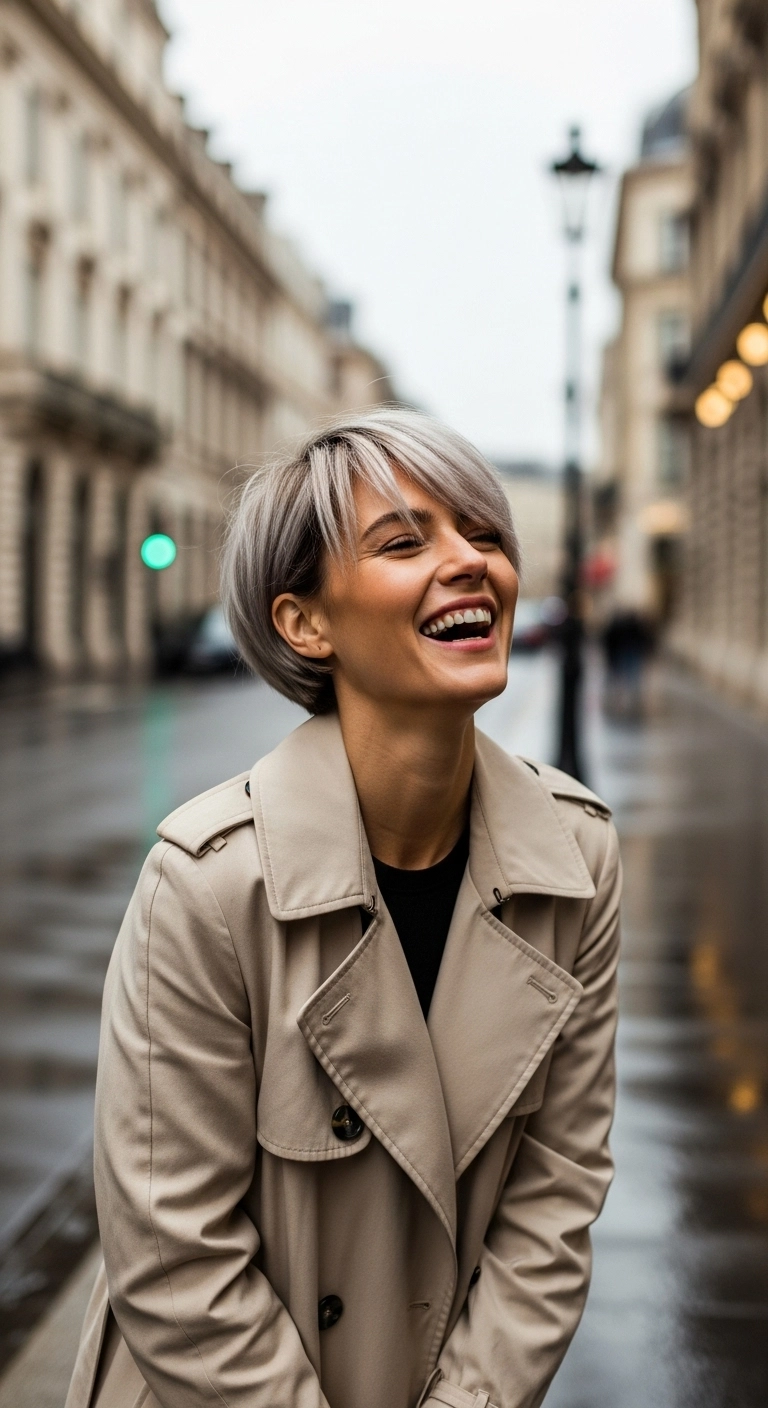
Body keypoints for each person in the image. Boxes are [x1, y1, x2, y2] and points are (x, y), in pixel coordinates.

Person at [66, 408, 621, 1408]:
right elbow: (175, 1260)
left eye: (484, 533)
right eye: (405, 541)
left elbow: (558, 1193)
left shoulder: (577, 857)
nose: (471, 563)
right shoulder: (206, 884)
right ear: (304, 622)